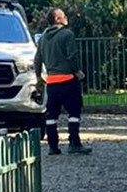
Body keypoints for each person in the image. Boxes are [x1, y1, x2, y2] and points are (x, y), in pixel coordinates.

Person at [33, 8, 92, 155]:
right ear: (58, 19)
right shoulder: (67, 34)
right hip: (67, 80)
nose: (66, 18)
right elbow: (72, 56)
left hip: (52, 82)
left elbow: (37, 59)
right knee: (74, 112)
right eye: (63, 16)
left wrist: (39, 76)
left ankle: (53, 146)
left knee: (51, 115)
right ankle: (74, 143)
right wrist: (77, 72)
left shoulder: (43, 39)